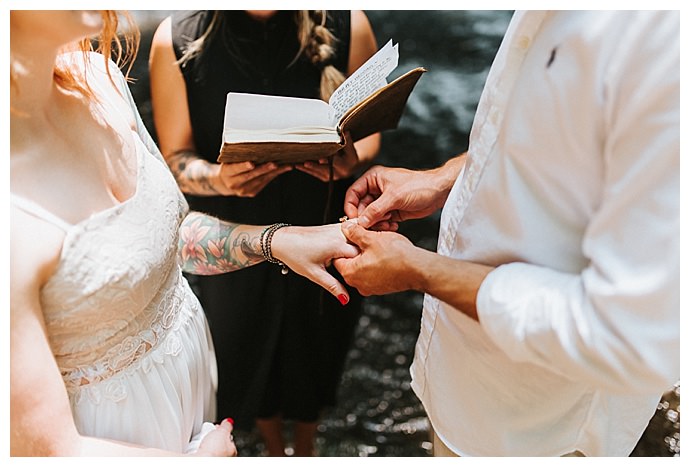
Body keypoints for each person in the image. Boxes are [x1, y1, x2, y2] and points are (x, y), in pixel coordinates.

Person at [10, 10, 360, 456]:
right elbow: (43, 451)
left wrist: (275, 241)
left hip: (192, 406)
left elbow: (160, 238)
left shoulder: (101, 81)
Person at [334, 10, 679, 456]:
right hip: (465, 379)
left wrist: (419, 271)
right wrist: (446, 177)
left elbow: (625, 327)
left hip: (544, 420)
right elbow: (545, 140)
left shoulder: (661, 45)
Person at [148, 10, 380, 456]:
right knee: (246, 347)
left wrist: (350, 160)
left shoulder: (349, 22)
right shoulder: (176, 38)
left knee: (320, 343)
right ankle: (275, 447)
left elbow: (371, 136)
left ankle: (308, 444)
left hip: (325, 220)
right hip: (236, 232)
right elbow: (175, 158)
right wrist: (219, 179)